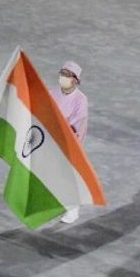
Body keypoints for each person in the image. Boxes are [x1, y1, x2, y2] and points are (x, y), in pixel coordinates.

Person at [50, 61, 89, 224]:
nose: (63, 77)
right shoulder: (52, 92)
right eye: (62, 73)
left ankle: (72, 209)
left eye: (68, 74)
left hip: (70, 142)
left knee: (68, 175)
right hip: (50, 139)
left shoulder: (81, 100)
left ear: (76, 80)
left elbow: (76, 123)